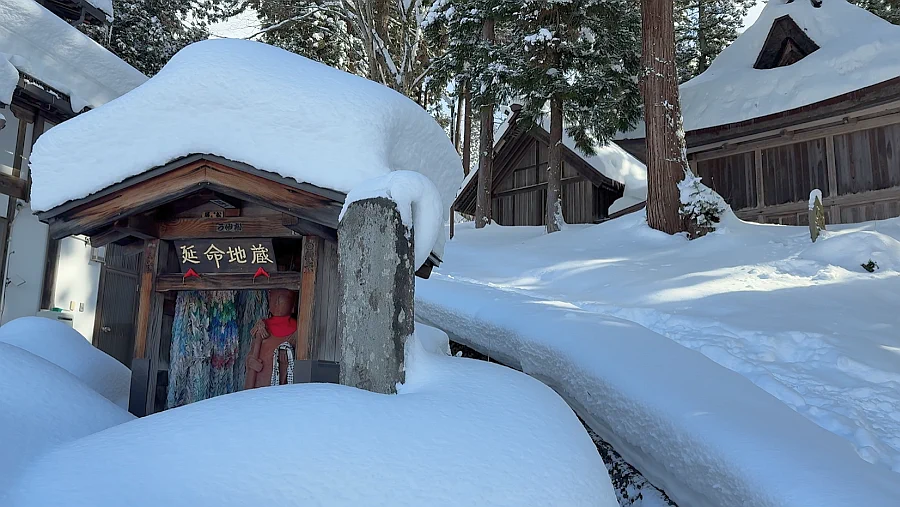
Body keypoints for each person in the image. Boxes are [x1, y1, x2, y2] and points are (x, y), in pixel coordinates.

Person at [243, 289, 298, 389]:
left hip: (279, 385)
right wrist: (250, 361)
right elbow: (251, 354)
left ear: (293, 304)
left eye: (285, 297)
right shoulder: (262, 327)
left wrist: (286, 359)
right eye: (274, 298)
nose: (278, 301)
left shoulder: (298, 331)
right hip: (258, 381)